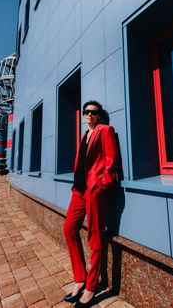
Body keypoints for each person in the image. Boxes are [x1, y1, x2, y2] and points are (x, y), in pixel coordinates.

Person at [63, 100, 119, 307]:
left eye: (93, 112)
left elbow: (111, 161)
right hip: (78, 191)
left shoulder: (105, 130)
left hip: (94, 191)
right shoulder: (84, 136)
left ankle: (91, 287)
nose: (89, 115)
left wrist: (101, 185)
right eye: (86, 112)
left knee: (95, 238)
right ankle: (80, 278)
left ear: (99, 115)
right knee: (69, 230)